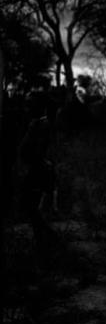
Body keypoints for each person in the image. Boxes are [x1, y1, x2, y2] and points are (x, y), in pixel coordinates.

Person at [19, 90, 58, 263]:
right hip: (35, 170)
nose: (27, 107)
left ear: (40, 106)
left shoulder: (41, 124)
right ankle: (46, 244)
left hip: (38, 171)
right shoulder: (36, 123)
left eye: (31, 104)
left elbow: (37, 151)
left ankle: (49, 244)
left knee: (33, 209)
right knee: (31, 209)